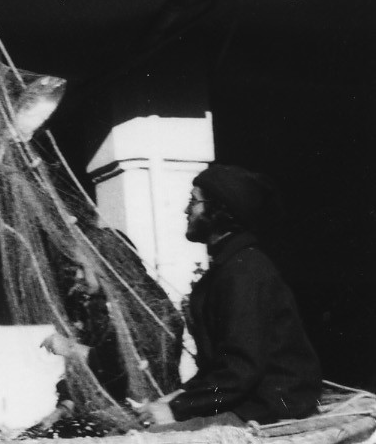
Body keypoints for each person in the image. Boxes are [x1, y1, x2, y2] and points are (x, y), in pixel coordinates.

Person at [133, 163, 322, 430]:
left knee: (155, 437)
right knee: (141, 423)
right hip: (245, 398)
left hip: (268, 406)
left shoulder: (245, 271)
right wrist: (176, 397)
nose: (186, 210)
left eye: (194, 201)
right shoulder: (227, 268)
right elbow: (220, 367)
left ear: (219, 210)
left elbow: (240, 370)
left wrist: (177, 409)